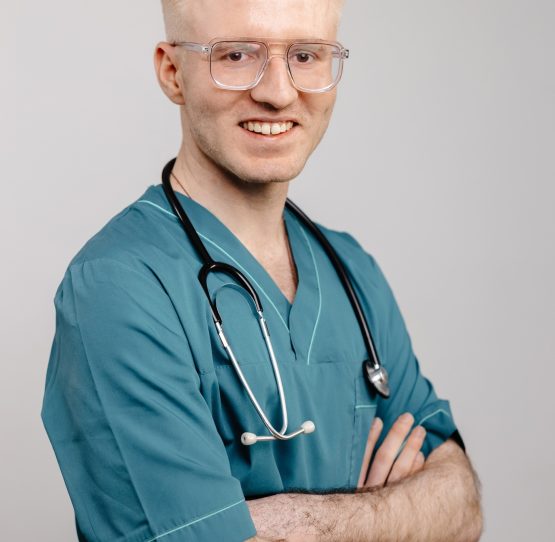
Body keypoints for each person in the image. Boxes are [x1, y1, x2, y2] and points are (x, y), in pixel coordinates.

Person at [41, 1, 483, 540]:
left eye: (305, 55)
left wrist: (299, 523)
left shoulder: (352, 272)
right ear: (171, 72)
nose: (277, 91)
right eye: (235, 54)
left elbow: (462, 507)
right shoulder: (119, 287)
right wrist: (395, 513)